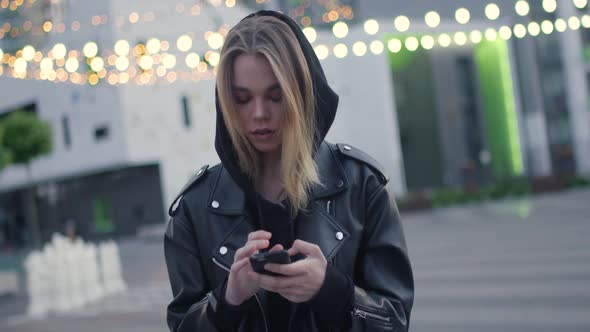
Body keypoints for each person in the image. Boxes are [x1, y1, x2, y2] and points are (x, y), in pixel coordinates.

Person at [164, 10, 414, 332]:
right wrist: (228, 298)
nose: (258, 114)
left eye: (275, 95)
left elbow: (395, 320)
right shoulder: (193, 209)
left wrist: (330, 289)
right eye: (242, 99)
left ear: (300, 92)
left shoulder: (361, 185)